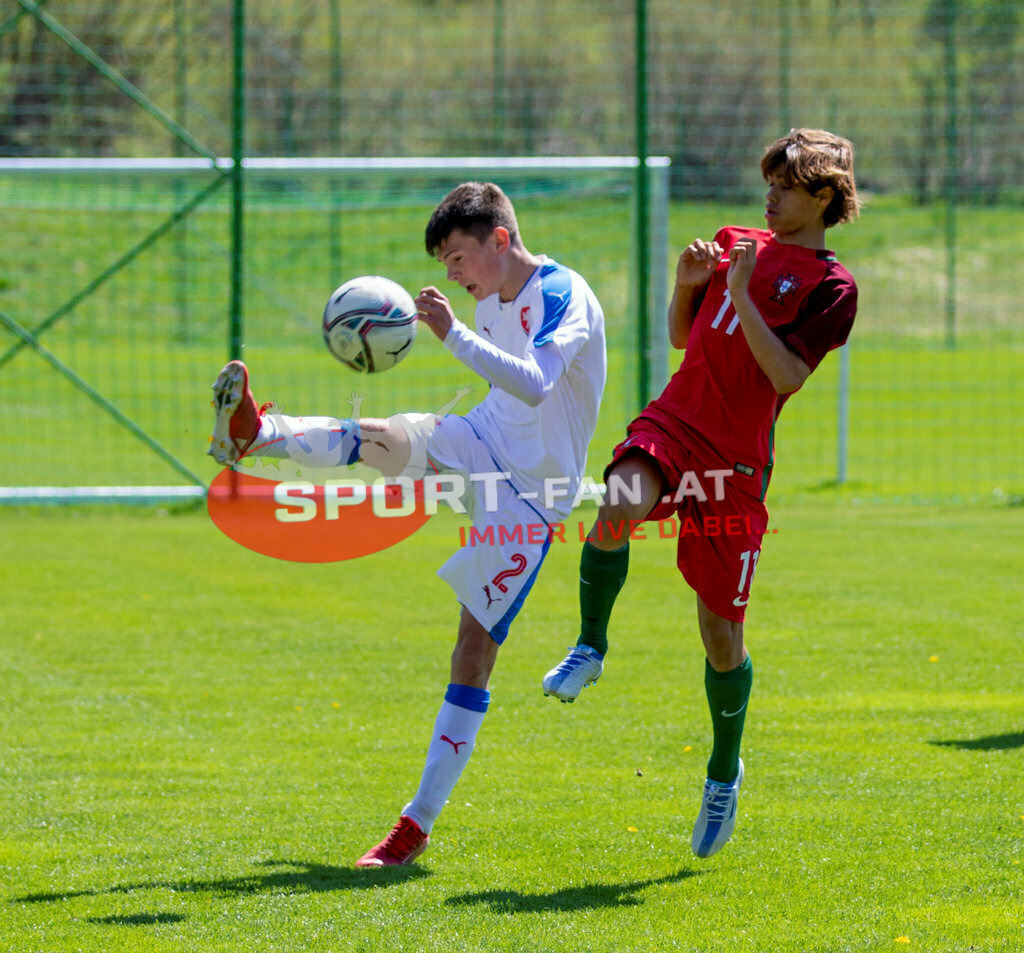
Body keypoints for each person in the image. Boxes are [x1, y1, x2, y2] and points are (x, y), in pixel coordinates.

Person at [208, 181, 607, 866]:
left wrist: (452, 334)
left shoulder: (563, 295)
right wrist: (461, 335)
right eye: (446, 264)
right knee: (383, 436)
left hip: (533, 496)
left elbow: (537, 382)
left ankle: (415, 824)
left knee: (472, 650)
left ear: (500, 240)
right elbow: (509, 394)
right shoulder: (490, 298)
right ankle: (256, 432)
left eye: (457, 258)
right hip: (483, 438)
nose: (451, 275)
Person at [542, 128, 860, 859]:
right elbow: (684, 337)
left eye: (784, 186)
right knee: (616, 505)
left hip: (736, 466)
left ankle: (723, 770)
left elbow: (786, 375)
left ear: (823, 197)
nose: (769, 196)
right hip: (675, 423)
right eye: (768, 182)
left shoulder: (833, 287)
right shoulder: (734, 242)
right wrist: (689, 284)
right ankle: (591, 644)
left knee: (721, 639)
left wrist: (742, 294)